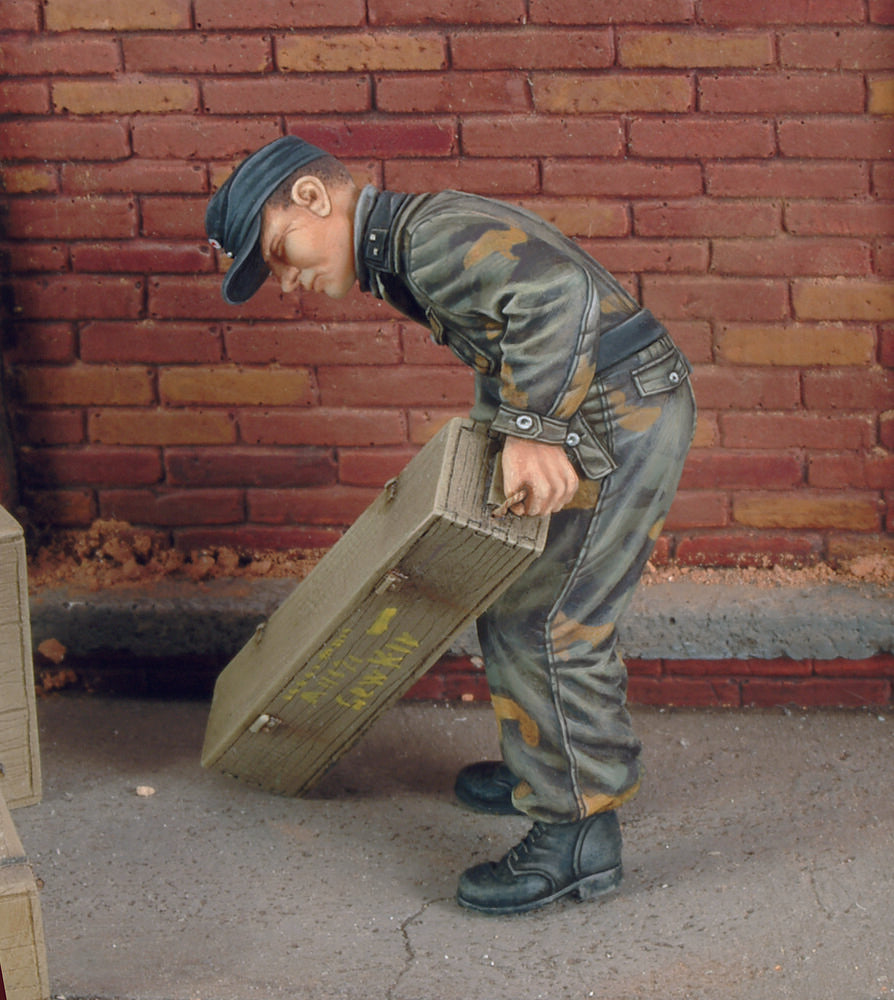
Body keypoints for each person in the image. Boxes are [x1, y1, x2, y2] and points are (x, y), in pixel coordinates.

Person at [206, 136, 696, 915]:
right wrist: (497, 445)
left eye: (278, 252)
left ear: (311, 199)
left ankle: (576, 835)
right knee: (511, 603)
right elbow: (506, 334)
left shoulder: (423, 239)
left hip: (614, 413)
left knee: (548, 622)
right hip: (602, 405)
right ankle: (545, 763)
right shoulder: (404, 242)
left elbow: (555, 296)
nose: (287, 280)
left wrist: (533, 430)